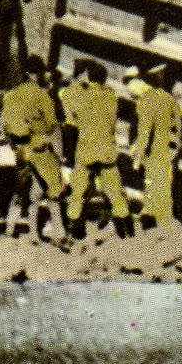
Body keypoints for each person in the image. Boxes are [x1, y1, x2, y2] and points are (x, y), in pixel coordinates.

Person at [62, 59, 132, 238]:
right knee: (115, 191)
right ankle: (126, 227)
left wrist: (77, 76)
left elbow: (67, 96)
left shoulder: (82, 95)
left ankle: (73, 225)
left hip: (86, 150)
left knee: (78, 191)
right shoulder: (110, 96)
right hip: (107, 150)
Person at [1, 55, 67, 240]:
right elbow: (52, 124)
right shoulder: (41, 95)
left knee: (21, 190)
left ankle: (10, 229)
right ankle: (58, 233)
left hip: (21, 149)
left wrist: (14, 144)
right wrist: (58, 151)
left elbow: (4, 125)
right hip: (40, 148)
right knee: (52, 190)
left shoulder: (11, 95)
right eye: (40, 72)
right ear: (34, 74)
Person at [126, 66, 182, 231]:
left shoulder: (147, 100)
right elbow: (178, 127)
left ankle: (151, 217)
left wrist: (137, 158)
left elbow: (144, 132)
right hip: (166, 149)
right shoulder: (169, 99)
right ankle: (161, 218)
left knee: (152, 181)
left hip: (154, 149)